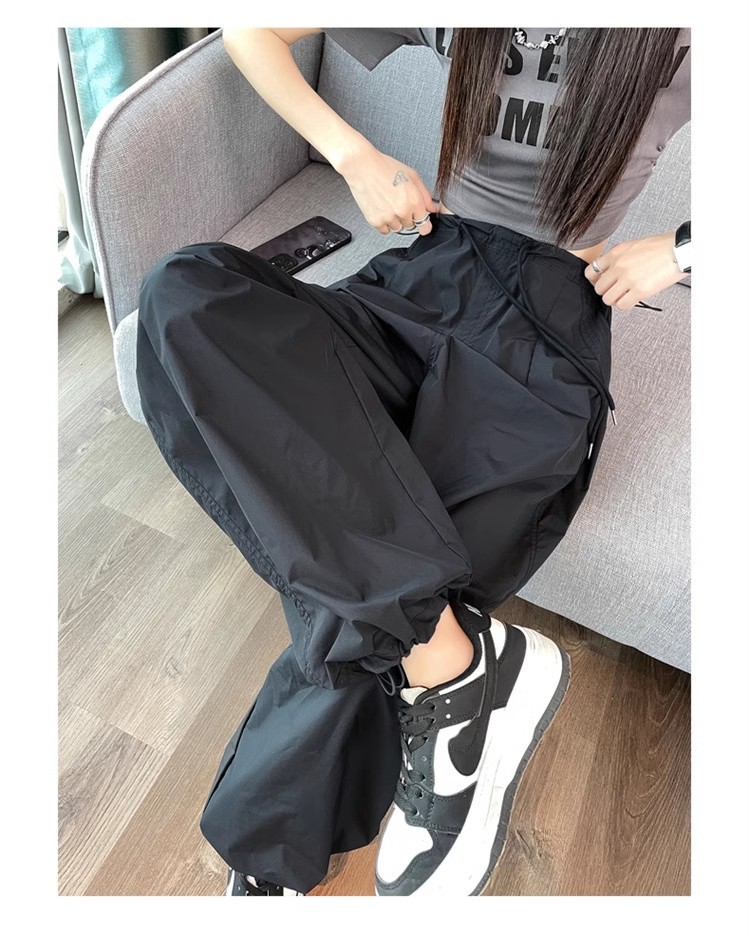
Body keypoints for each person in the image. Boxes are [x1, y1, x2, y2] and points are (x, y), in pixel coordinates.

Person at [134, 27, 691, 897]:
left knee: (367, 562)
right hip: (415, 288)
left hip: (542, 338)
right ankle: (452, 660)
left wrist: (683, 249)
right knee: (182, 295)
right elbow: (251, 28)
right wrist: (352, 153)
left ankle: (277, 848)